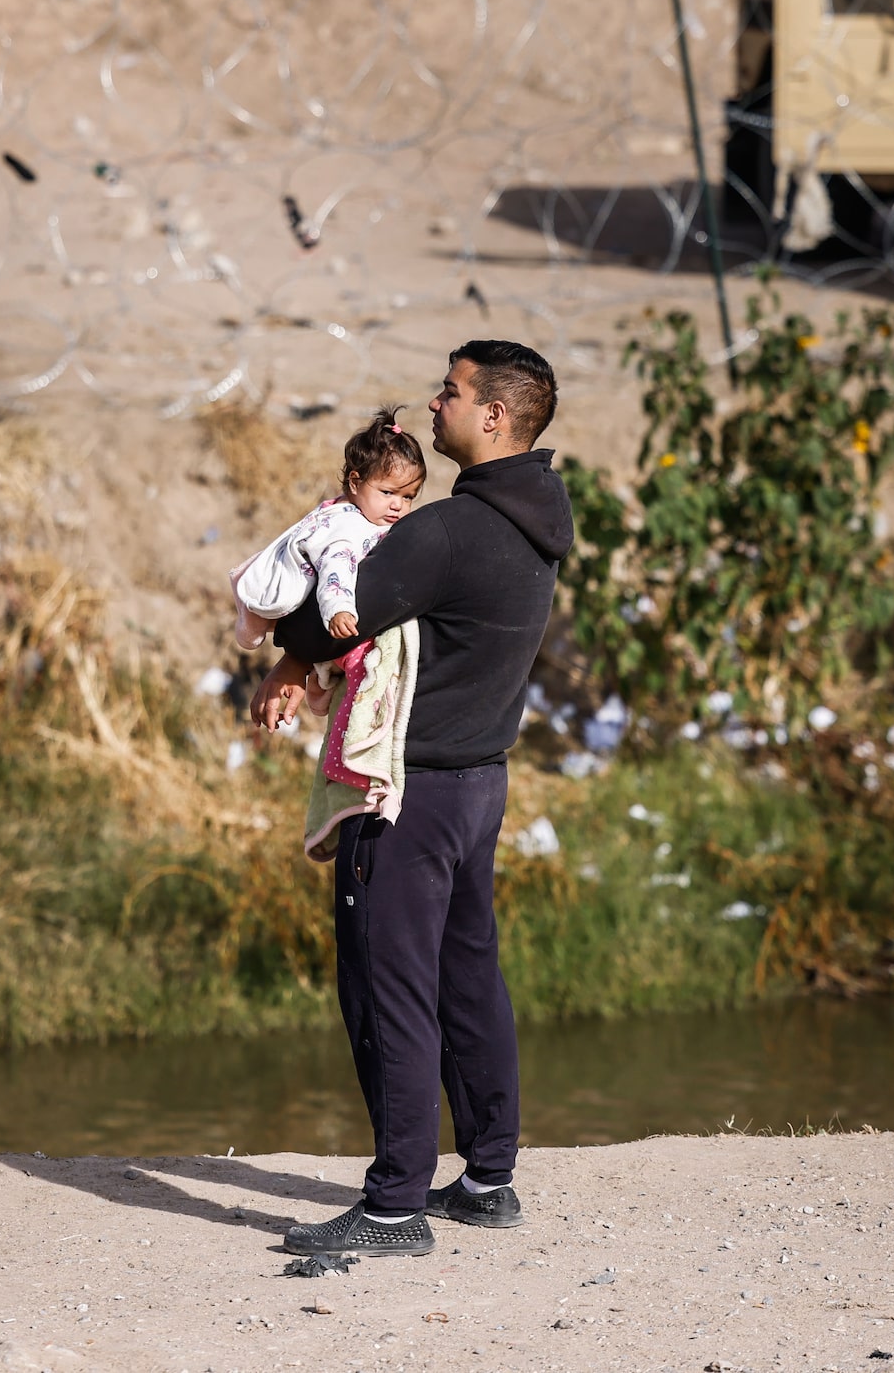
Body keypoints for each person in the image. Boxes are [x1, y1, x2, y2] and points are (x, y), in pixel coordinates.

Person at [251, 341, 575, 1258]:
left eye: (453, 392)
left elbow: (340, 611)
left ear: (494, 417)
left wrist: (284, 654)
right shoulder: (540, 514)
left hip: (409, 791)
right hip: (481, 782)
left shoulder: (444, 531)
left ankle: (393, 1206)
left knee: (387, 986)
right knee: (468, 976)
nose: (437, 405)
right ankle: (487, 1179)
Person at [228, 411, 427, 653]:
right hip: (322, 605)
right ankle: (253, 621)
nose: (398, 505)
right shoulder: (348, 528)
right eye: (387, 492)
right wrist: (338, 609)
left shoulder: (353, 508)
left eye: (408, 497)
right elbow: (336, 566)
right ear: (355, 482)